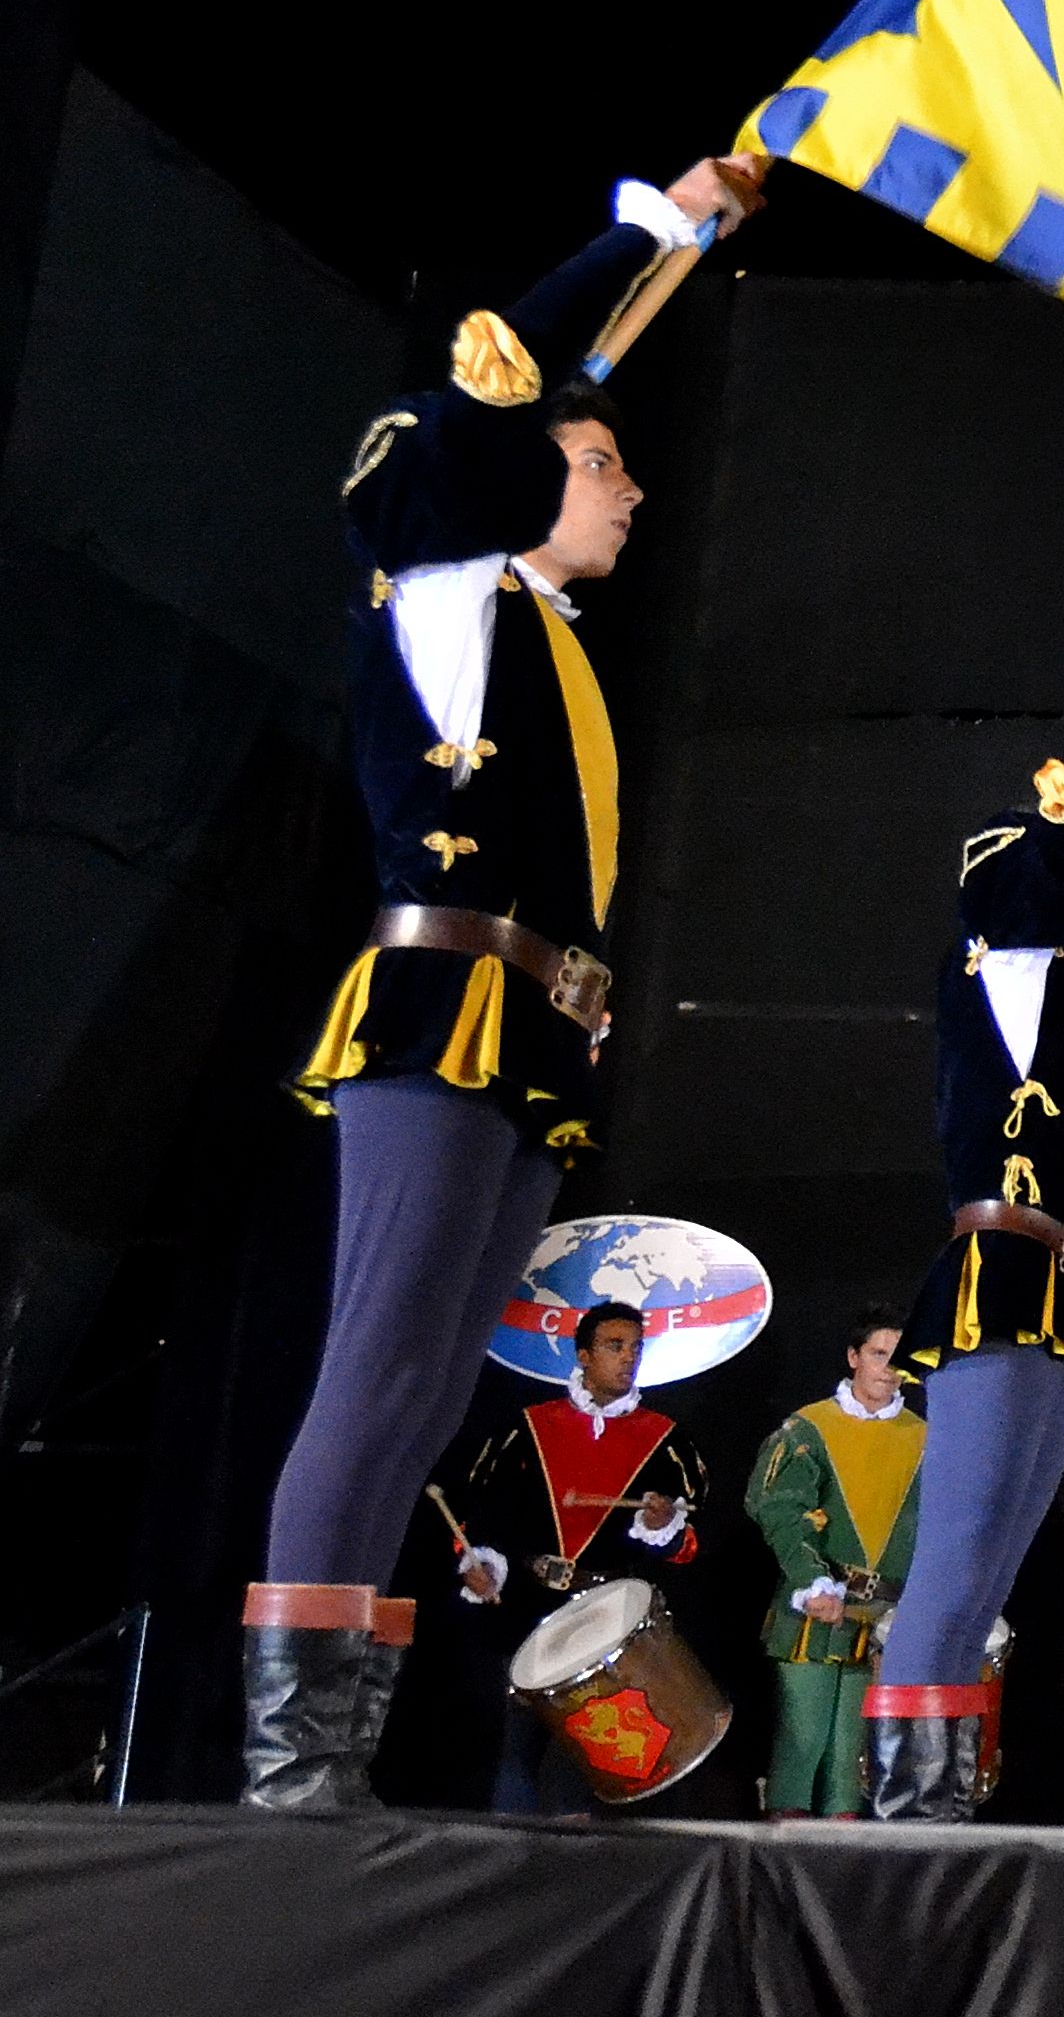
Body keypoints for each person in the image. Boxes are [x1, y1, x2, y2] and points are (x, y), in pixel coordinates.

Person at [243, 154, 753, 1810]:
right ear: (509, 481)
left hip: (532, 1024)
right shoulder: (449, 585)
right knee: (374, 1365)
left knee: (424, 1391)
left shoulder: (546, 638)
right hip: (441, 1006)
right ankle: (286, 1776)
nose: (629, 490)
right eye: (600, 462)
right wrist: (652, 231)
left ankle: (335, 1759)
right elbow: (474, 408)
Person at [863, 607, 1064, 1822]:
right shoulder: (1001, 961)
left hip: (1058, 1285)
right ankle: (897, 1811)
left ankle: (930, 1802)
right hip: (999, 1279)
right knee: (952, 1565)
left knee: (994, 1566)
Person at [439, 1298, 707, 1814]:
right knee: (515, 1755)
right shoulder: (526, 1427)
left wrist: (662, 1526)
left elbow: (688, 1547)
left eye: (635, 1347)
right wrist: (481, 1566)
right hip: (527, 1611)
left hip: (610, 1620)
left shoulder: (667, 1441)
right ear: (582, 1354)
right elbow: (483, 1517)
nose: (628, 1357)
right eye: (614, 1346)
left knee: (595, 1765)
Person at [744, 1306, 922, 1819]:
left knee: (854, 1760)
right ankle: (781, 1870)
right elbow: (779, 1508)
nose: (888, 1369)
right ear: (853, 1358)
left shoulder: (926, 1436)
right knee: (802, 1745)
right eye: (877, 1355)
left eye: (898, 1358)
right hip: (816, 1609)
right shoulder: (809, 1428)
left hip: (884, 1619)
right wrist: (811, 1580)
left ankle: (838, 1875)